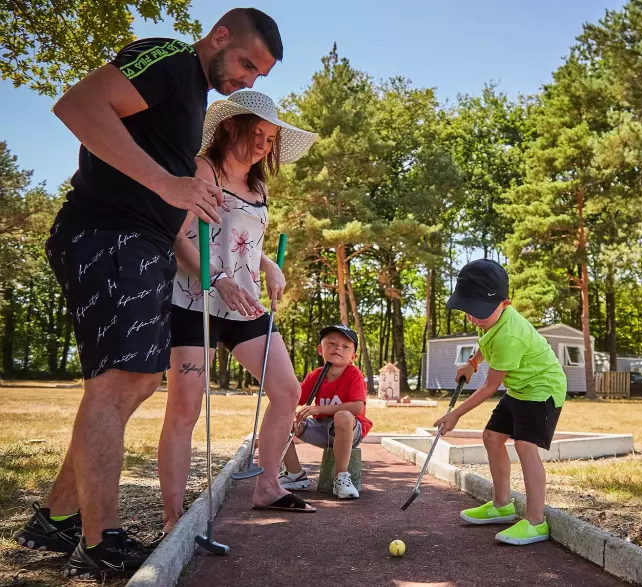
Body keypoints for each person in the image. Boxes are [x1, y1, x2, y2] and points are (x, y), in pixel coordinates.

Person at [13, 9, 283, 580]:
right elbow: (77, 106)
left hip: (141, 242)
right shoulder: (170, 60)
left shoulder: (188, 100)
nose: (247, 80)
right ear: (220, 36)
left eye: (259, 75)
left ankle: (57, 518)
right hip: (108, 231)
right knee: (120, 382)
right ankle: (100, 540)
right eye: (245, 64)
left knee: (132, 384)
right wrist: (167, 184)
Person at [157, 89, 319, 534]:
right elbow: (180, 239)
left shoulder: (259, 186)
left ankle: (268, 485)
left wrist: (267, 265)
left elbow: (242, 241)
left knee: (287, 390)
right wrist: (217, 279)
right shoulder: (202, 169)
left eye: (272, 139)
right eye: (259, 134)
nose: (265, 145)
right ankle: (173, 519)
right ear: (232, 126)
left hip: (245, 302)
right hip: (196, 301)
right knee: (185, 410)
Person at [434, 259, 567, 546]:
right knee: (492, 437)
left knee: (525, 446)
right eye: (469, 311)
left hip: (542, 388)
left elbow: (490, 387)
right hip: (520, 388)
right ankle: (502, 504)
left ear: (505, 303)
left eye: (479, 312)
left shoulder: (510, 334)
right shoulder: (489, 320)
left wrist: (455, 414)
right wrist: (472, 362)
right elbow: (485, 341)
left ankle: (535, 521)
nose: (474, 318)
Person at [280, 325, 373, 500]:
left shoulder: (354, 374)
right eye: (331, 343)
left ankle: (341, 478)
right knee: (281, 419)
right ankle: (295, 474)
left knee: (343, 415)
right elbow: (293, 400)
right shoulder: (315, 375)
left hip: (351, 430)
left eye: (346, 346)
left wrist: (319, 409)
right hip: (323, 429)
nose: (338, 347)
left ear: (353, 357)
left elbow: (357, 408)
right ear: (320, 349)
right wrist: (293, 417)